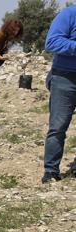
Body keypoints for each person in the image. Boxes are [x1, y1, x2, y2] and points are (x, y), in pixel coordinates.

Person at [43, 6, 76, 183]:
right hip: (65, 78)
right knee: (58, 126)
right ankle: (51, 171)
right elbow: (52, 42)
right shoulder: (69, 14)